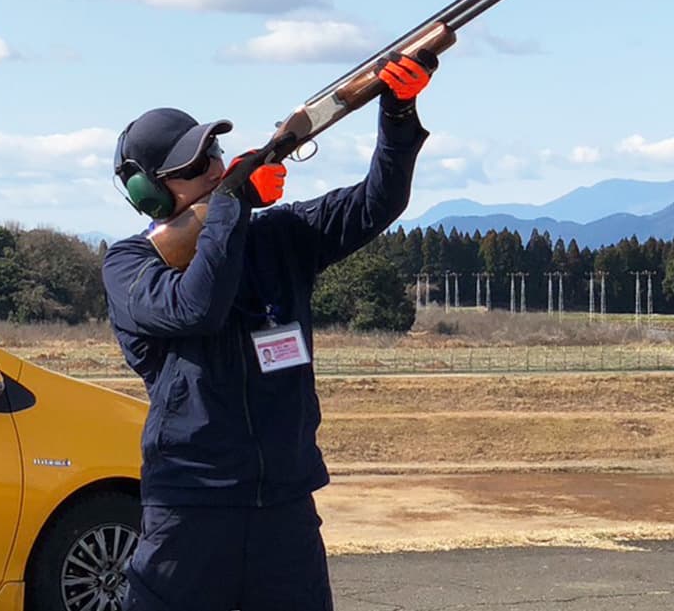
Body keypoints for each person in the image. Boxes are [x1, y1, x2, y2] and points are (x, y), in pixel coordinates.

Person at [103, 51, 439, 610]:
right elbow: (197, 308)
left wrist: (397, 114)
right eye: (195, 166)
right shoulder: (130, 266)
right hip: (189, 510)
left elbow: (376, 203)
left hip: (284, 505)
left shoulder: (277, 234)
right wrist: (233, 205)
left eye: (213, 153)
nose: (214, 167)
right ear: (152, 195)